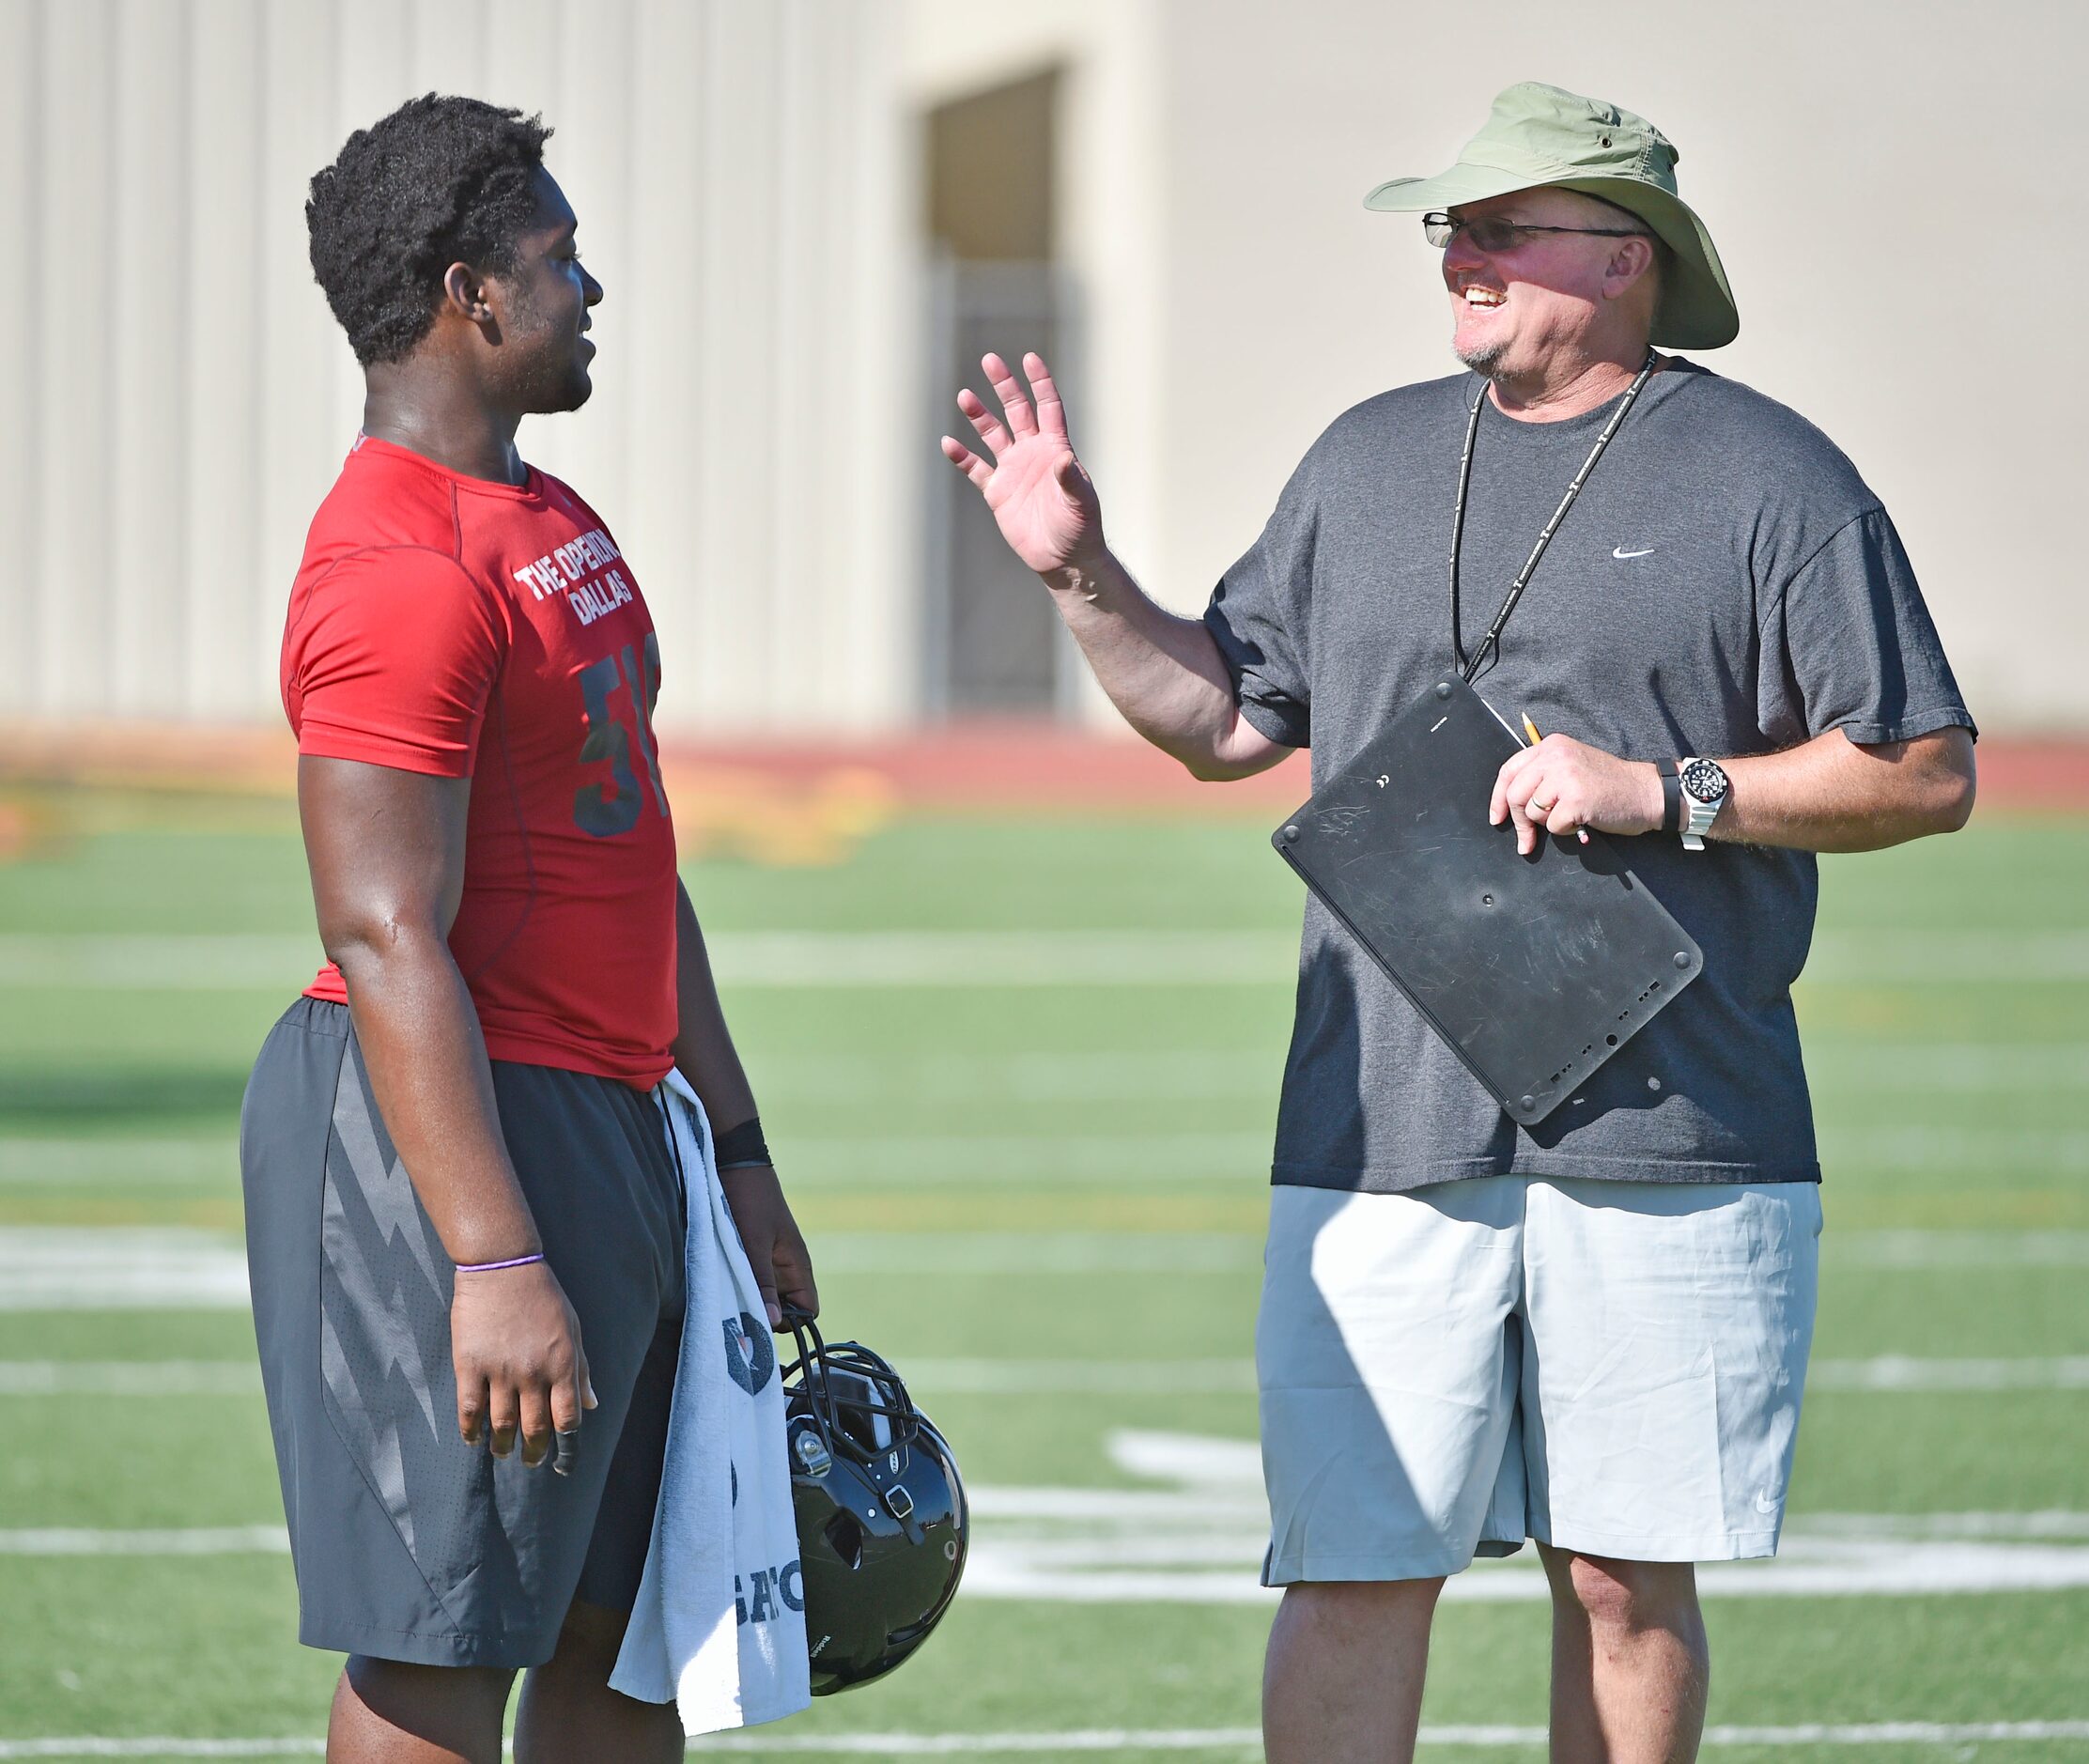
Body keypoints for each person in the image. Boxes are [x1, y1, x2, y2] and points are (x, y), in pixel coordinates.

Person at [942, 81, 1975, 1764]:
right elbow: (1222, 722)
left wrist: (1664, 791)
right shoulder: (1365, 457)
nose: (1461, 252)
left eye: (1503, 224)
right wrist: (1080, 573)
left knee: (1627, 1582)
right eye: (1453, 226)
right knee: (1350, 1566)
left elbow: (1924, 769)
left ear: (1625, 259)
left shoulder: (1776, 479)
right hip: (1378, 1132)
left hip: (1676, 1124)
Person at [241, 95, 817, 1764]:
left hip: (615, 1118)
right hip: (459, 1125)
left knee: (624, 1627)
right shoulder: (397, 563)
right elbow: (379, 929)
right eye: (560, 261)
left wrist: (740, 1148)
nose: (593, 291)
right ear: (466, 295)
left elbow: (639, 849)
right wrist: (491, 1256)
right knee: (448, 1632)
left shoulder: (554, 521)